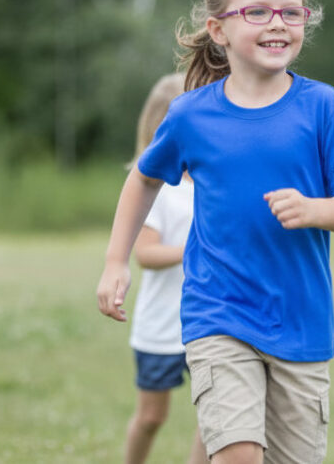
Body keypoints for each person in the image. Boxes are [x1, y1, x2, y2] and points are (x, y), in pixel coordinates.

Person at [97, 0, 334, 464]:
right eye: (257, 12)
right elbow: (142, 180)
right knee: (236, 456)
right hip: (218, 315)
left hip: (302, 326)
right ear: (219, 29)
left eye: (290, 12)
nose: (277, 24)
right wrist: (117, 261)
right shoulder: (190, 116)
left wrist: (315, 210)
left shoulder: (323, 107)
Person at [124, 73, 208, 464]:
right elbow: (146, 255)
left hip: (208, 321)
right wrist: (194, 249)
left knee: (216, 416)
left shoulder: (212, 181)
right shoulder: (154, 186)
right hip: (160, 326)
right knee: (151, 417)